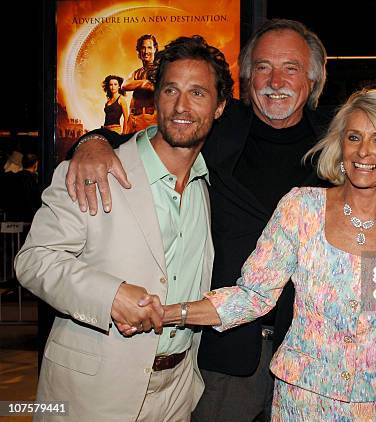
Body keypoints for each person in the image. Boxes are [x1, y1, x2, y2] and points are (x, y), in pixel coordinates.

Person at [64, 19, 332, 421]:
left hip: (310, 359)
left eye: (290, 67)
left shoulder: (339, 142)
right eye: (262, 67)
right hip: (224, 359)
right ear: (246, 78)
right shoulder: (219, 129)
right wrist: (92, 141)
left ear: (312, 79)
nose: (276, 80)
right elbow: (152, 138)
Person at [158, 89, 376, 422]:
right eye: (354, 137)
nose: (364, 151)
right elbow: (253, 295)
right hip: (301, 401)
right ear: (341, 146)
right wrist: (170, 313)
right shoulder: (301, 208)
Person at [15, 35, 232, 421]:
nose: (182, 106)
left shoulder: (209, 186)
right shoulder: (92, 171)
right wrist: (109, 295)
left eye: (198, 93)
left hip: (178, 393)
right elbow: (33, 260)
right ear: (156, 97)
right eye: (171, 90)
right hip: (94, 393)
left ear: (219, 108)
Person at [124, 34, 158, 133]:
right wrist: (144, 83)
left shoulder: (160, 69)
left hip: (148, 121)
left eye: (149, 48)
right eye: (143, 48)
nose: (146, 51)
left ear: (155, 49)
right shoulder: (137, 72)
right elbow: (125, 85)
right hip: (133, 121)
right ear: (139, 51)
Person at [2, 153, 40, 221]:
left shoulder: (12, 178)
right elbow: (35, 202)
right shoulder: (32, 181)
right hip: (28, 220)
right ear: (36, 164)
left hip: (12, 219)